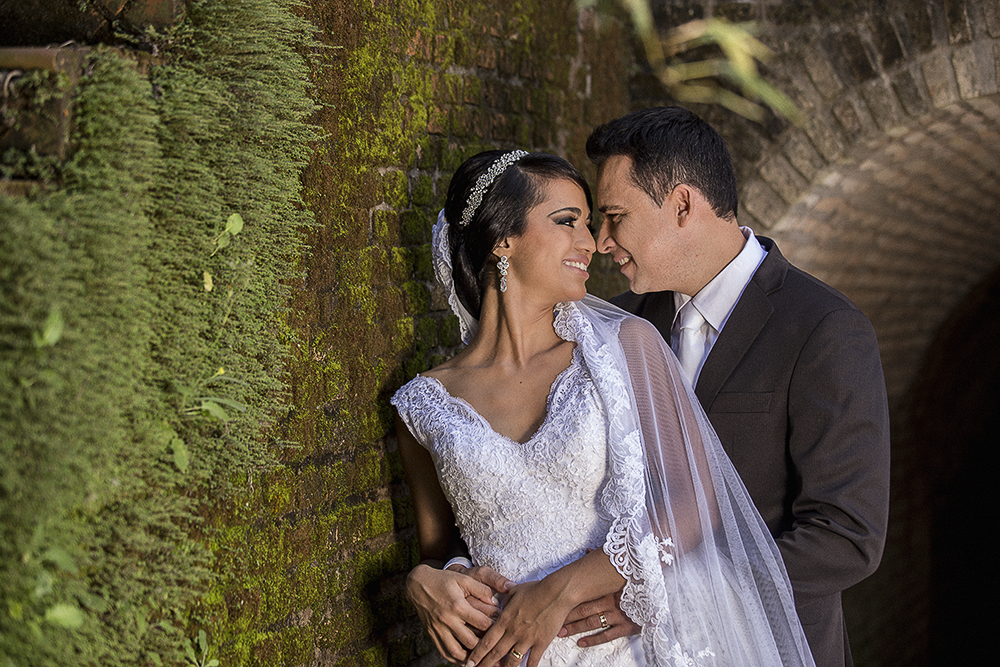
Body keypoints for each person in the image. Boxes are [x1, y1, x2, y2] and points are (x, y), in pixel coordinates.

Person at [392, 149, 816, 667]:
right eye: (567, 221)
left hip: (627, 648)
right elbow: (441, 550)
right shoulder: (423, 405)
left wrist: (561, 590)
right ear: (503, 239)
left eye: (588, 224)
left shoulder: (625, 347)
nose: (591, 243)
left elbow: (691, 500)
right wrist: (427, 580)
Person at [565, 106, 890, 667]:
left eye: (615, 216)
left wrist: (672, 598)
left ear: (682, 205)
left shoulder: (824, 329)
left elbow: (847, 536)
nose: (601, 240)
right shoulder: (613, 326)